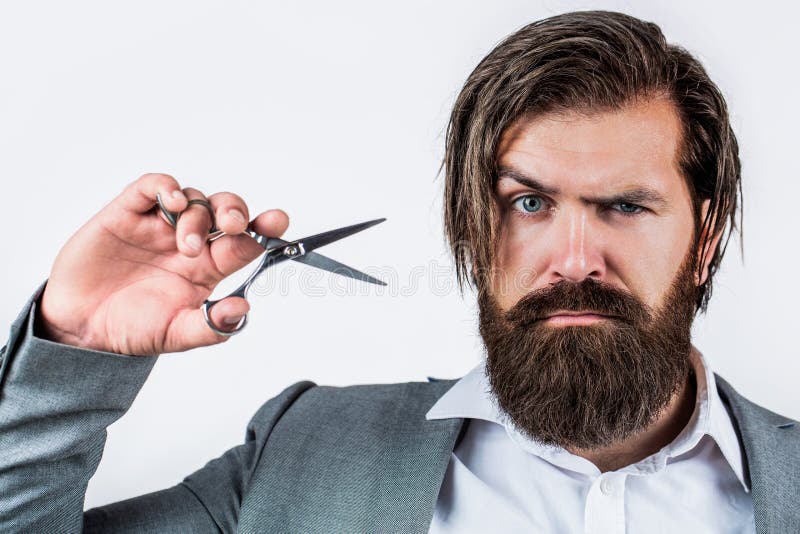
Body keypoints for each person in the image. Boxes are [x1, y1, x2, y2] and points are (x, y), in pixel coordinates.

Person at [0, 9, 797, 533]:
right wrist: (78, 349)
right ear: (470, 229)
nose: (575, 260)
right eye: (527, 204)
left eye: (625, 206)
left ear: (706, 237)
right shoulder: (304, 451)